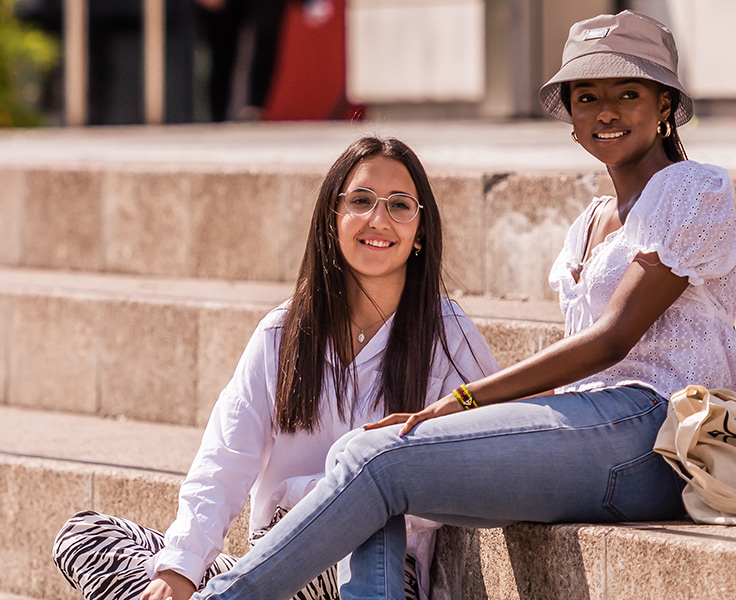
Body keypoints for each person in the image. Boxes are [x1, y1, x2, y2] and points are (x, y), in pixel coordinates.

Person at [188, 11, 736, 600]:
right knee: (373, 458)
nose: (606, 111)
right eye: (587, 96)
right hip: (592, 433)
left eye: (628, 93)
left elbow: (612, 341)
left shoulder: (691, 190)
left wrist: (455, 405)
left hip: (658, 432)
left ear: (665, 104)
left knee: (375, 456)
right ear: (570, 116)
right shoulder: (590, 223)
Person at [51, 136, 501, 600]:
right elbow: (224, 460)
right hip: (270, 559)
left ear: (420, 230)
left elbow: (488, 454)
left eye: (400, 205)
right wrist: (180, 571)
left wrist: (338, 498)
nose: (378, 219)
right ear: (332, 219)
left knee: (358, 525)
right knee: (85, 535)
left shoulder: (447, 334)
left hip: (372, 563)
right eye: (361, 201)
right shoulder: (283, 333)